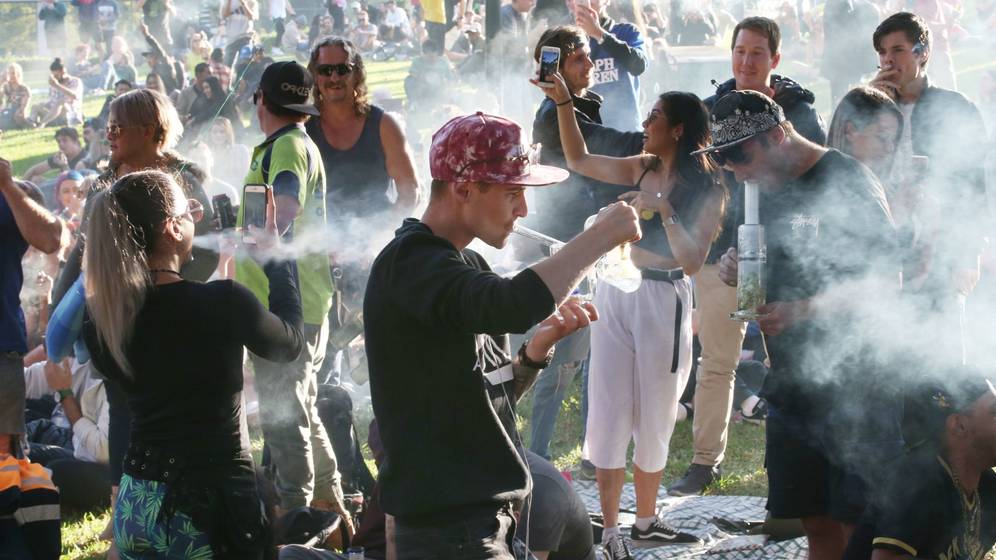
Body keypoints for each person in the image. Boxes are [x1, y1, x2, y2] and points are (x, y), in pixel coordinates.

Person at [364, 111, 640, 557]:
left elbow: (490, 396)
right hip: (446, 530)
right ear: (464, 189)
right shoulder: (410, 264)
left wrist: (533, 355)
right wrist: (599, 239)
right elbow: (512, 305)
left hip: (488, 520)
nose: (524, 209)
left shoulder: (466, 267)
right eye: (513, 193)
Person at [540, 72, 724, 557]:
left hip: (665, 298)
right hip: (617, 293)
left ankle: (644, 519)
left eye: (655, 116)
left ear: (679, 129)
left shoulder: (707, 185)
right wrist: (564, 103)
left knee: (655, 411)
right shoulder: (641, 165)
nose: (645, 123)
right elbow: (579, 159)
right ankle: (610, 531)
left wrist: (662, 208)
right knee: (607, 406)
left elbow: (691, 261)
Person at [711, 90, 899, 560]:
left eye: (741, 155)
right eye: (725, 160)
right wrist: (738, 266)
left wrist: (805, 309)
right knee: (813, 517)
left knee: (857, 519)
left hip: (858, 383)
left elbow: (887, 281)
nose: (736, 169)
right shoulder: (757, 189)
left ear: (777, 135)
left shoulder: (847, 178)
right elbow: (764, 269)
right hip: (793, 384)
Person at [79, 169, 299, 557]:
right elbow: (289, 344)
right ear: (171, 228)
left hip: (137, 504)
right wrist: (277, 259)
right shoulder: (223, 302)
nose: (195, 219)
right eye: (188, 212)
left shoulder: (103, 320)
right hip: (210, 509)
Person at [668, 15, 828, 498]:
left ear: (774, 59)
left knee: (792, 363)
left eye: (757, 52)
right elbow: (697, 178)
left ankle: (793, 478)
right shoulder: (712, 111)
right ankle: (704, 462)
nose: (746, 61)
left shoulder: (796, 113)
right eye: (739, 51)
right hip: (724, 256)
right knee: (717, 361)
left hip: (786, 263)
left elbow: (813, 184)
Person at [235, 61, 347, 518]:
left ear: (263, 100)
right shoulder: (298, 142)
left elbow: (285, 202)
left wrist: (262, 235)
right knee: (303, 407)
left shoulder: (285, 147)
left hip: (285, 307)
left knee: (283, 419)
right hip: (305, 300)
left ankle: (297, 515)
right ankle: (331, 505)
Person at [868, 11, 989, 366]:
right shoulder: (871, 107)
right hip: (888, 249)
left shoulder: (955, 107)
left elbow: (974, 189)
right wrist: (868, 105)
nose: (889, 60)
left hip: (941, 250)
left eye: (898, 50)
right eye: (882, 53)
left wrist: (969, 255)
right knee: (890, 359)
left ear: (922, 53)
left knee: (945, 359)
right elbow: (847, 170)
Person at [306, 37, 419, 228]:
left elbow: (410, 191)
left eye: (343, 70)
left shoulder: (384, 125)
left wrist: (382, 237)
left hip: (376, 240)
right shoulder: (304, 128)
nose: (334, 78)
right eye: (325, 71)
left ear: (356, 74)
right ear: (315, 77)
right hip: (320, 242)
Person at [0, 156, 65, 470]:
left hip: (1, 347)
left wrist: (9, 185)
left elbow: (51, 238)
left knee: (5, 461)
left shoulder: (7, 195)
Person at [566, 0, 647, 132]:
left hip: (626, 131)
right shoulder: (567, 40)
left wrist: (599, 34)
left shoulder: (627, 31)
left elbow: (639, 65)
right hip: (586, 131)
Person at [821, 0, 880, 106]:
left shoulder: (868, 8)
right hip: (840, 60)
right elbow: (833, 31)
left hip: (855, 60)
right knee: (839, 99)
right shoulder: (835, 4)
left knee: (858, 98)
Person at [28, 58, 84, 128]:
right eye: (54, 76)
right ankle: (32, 124)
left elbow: (75, 96)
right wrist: (43, 105)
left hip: (70, 114)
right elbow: (52, 102)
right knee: (35, 106)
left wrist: (58, 86)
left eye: (57, 76)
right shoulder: (54, 84)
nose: (56, 78)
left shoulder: (75, 81)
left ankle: (42, 123)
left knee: (60, 101)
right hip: (54, 115)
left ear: (63, 72)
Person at [22, 127, 87, 184]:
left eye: (65, 140)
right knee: (35, 179)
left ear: (75, 141)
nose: (61, 144)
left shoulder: (86, 157)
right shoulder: (61, 157)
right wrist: (18, 187)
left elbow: (75, 183)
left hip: (77, 192)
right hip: (61, 189)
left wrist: (64, 166)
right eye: (58, 141)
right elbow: (34, 170)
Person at [208, 117, 252, 189]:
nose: (218, 135)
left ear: (228, 133)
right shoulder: (207, 154)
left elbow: (247, 177)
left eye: (222, 131)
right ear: (210, 133)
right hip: (217, 193)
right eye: (215, 132)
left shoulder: (241, 151)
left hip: (239, 191)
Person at [220, 0, 258, 65]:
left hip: (245, 36)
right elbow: (224, 16)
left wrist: (243, 4)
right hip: (231, 38)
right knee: (228, 64)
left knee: (243, 63)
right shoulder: (226, 2)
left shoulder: (252, 2)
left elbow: (252, 17)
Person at [0, 63, 32, 131]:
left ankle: (28, 125)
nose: (11, 76)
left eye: (13, 73)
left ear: (18, 74)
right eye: (9, 73)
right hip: (7, 113)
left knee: (17, 116)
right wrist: (1, 83)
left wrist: (20, 110)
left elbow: (23, 107)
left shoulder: (24, 89)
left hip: (18, 114)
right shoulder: (6, 87)